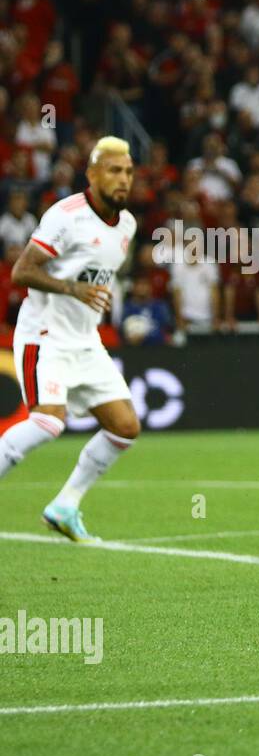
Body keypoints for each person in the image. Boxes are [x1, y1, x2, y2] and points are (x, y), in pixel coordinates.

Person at [0, 137, 143, 542]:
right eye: (114, 170)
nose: (123, 179)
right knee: (48, 422)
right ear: (93, 174)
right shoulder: (66, 216)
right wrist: (72, 289)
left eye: (129, 172)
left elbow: (98, 276)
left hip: (86, 340)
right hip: (45, 336)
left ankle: (65, 506)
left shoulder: (127, 225)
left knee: (124, 427)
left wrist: (93, 294)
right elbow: (22, 272)